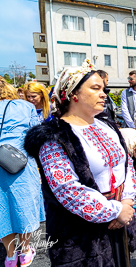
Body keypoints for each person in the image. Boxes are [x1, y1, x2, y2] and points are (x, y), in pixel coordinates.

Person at [25, 60, 136, 267]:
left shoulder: (107, 125)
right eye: (95, 88)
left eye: (103, 89)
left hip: (119, 221)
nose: (104, 94)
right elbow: (68, 190)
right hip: (81, 235)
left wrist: (127, 202)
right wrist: (114, 211)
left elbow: (127, 165)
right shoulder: (55, 137)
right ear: (72, 94)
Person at [0, 81, 45, 267]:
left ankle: (10, 256)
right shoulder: (25, 106)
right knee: (23, 206)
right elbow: (36, 135)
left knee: (2, 211)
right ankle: (25, 252)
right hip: (20, 163)